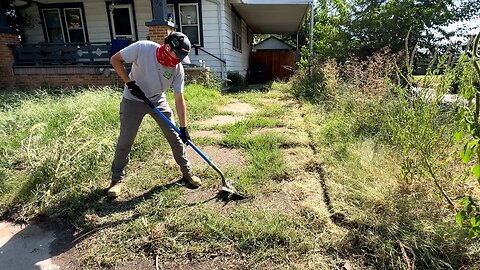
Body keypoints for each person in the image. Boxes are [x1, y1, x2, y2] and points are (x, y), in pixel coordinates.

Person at [107, 32, 201, 198]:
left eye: (181, 58)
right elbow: (115, 60)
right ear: (167, 48)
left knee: (175, 137)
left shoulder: (177, 69)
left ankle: (187, 173)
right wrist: (129, 83)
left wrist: (184, 127)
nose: (178, 61)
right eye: (177, 55)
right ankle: (117, 180)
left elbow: (180, 99)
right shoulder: (143, 48)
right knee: (125, 141)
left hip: (158, 100)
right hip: (133, 100)